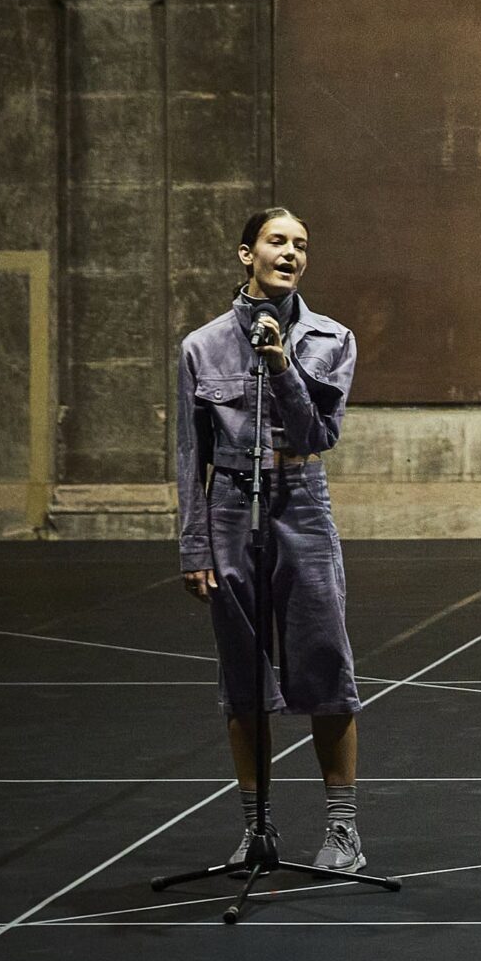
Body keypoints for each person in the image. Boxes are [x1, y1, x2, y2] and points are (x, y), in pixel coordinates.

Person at [175, 206, 369, 874]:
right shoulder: (200, 347)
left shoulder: (331, 339)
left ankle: (342, 829)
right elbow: (189, 455)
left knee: (325, 664)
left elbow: (317, 435)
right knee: (243, 678)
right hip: (230, 509)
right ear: (246, 254)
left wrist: (281, 364)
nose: (291, 254)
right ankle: (256, 828)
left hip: (301, 502)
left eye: (301, 245)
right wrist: (194, 546)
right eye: (277, 241)